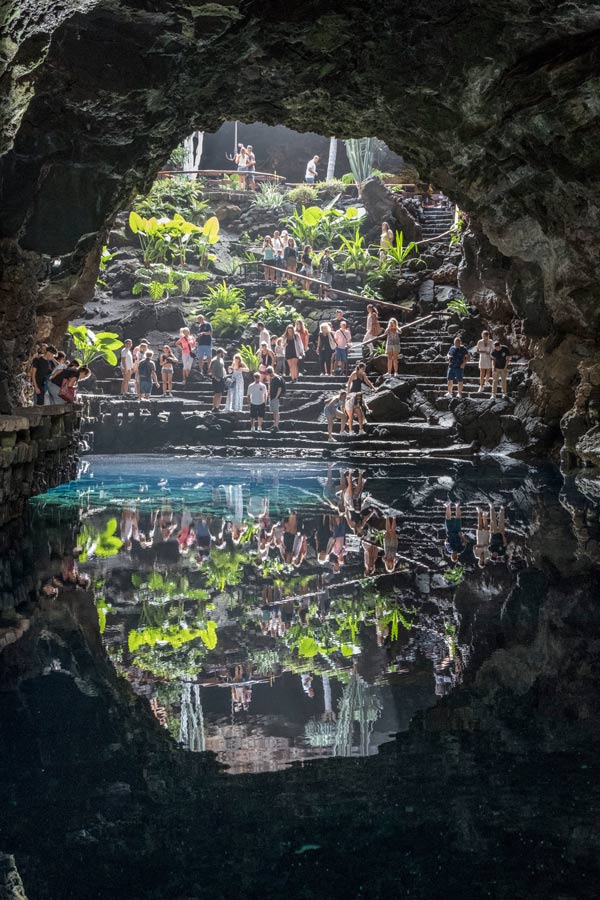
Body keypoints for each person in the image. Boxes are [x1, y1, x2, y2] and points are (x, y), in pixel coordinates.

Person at [346, 362, 374, 434]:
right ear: (359, 368)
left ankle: (361, 430)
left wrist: (373, 388)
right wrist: (348, 394)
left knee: (360, 413)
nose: (364, 370)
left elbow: (367, 382)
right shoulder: (354, 374)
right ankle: (351, 431)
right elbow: (349, 383)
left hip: (358, 394)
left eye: (364, 369)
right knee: (351, 414)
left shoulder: (363, 374)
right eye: (363, 369)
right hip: (352, 394)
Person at [266, 365, 284, 432]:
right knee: (274, 412)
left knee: (276, 412)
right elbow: (270, 387)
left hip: (275, 397)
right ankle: (274, 424)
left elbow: (280, 388)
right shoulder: (271, 378)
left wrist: (276, 397)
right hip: (271, 397)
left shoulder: (277, 378)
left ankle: (276, 426)